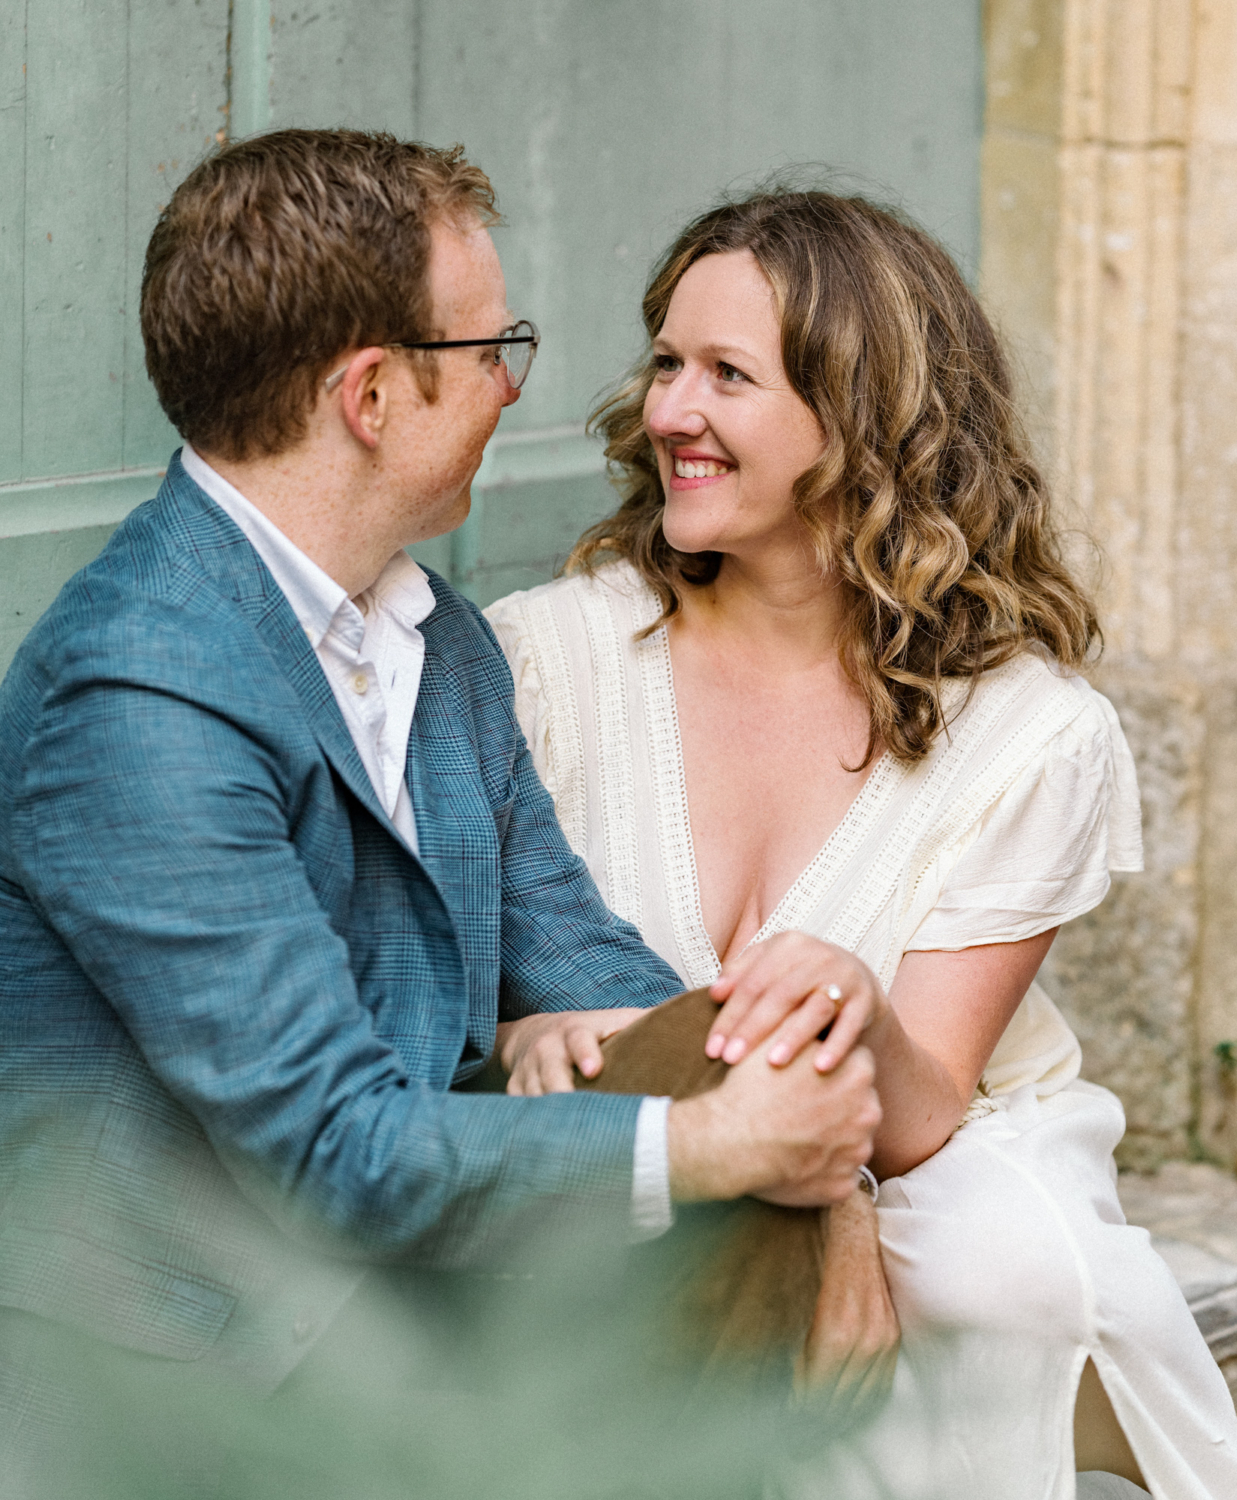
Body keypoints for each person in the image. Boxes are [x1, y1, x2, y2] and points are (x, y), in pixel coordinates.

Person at [0, 134, 884, 1491]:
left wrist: (819, 1179)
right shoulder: (139, 694)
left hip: (400, 1294)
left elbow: (602, 977)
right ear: (369, 392)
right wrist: (717, 1142)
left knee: (728, 1128)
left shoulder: (432, 642)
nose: (512, 385)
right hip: (187, 1366)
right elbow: (336, 1147)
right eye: (489, 350)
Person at [484, 188, 1237, 1499]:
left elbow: (927, 1102)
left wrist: (851, 999)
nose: (668, 412)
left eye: (726, 375)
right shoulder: (544, 660)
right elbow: (457, 993)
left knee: (987, 1261)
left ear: (863, 419)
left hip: (932, 1142)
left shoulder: (1025, 733)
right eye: (665, 362)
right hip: (639, 1162)